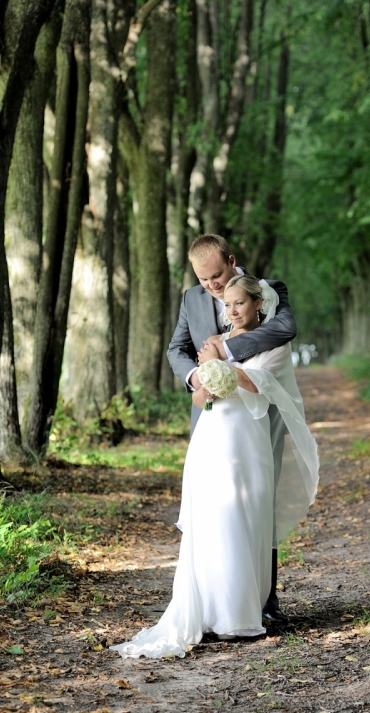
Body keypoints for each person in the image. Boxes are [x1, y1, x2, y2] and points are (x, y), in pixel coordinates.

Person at [111, 276, 318, 659]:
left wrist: (220, 361)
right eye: (228, 303)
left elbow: (258, 384)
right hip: (212, 436)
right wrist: (202, 382)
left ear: (258, 304)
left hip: (247, 439)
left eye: (240, 302)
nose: (232, 309)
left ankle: (242, 612)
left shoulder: (271, 342)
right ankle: (209, 610)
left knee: (245, 516)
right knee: (212, 518)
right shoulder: (213, 340)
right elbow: (200, 396)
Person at [167, 234, 296, 623]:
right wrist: (197, 378)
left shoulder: (267, 290)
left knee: (259, 502)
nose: (212, 286)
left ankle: (264, 601)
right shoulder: (191, 298)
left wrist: (226, 353)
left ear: (231, 261)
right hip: (211, 414)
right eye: (204, 280)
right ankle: (215, 600)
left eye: (217, 275)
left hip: (258, 416)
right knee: (214, 508)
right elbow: (178, 348)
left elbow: (284, 328)